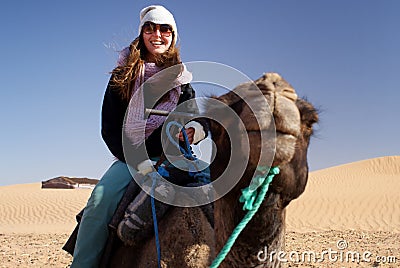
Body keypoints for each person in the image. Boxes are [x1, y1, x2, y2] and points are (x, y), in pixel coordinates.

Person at [70, 5, 207, 267]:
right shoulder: (123, 76)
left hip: (175, 157)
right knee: (98, 205)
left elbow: (195, 119)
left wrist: (194, 131)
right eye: (151, 28)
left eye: (165, 30)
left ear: (173, 36)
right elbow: (109, 127)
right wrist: (137, 159)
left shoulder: (183, 81)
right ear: (142, 34)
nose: (158, 34)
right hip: (130, 159)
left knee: (220, 193)